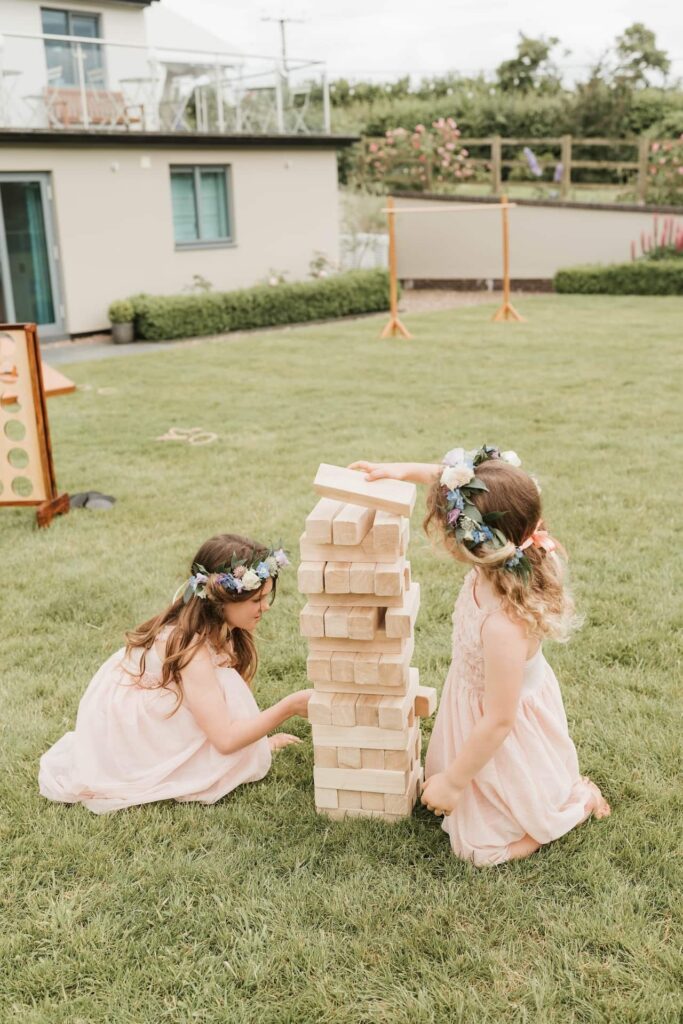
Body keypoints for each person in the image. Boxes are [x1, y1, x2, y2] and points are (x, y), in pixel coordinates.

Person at [351, 448, 610, 866]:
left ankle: (577, 803)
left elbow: (500, 719)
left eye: (450, 528)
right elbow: (455, 480)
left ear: (474, 541)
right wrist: (401, 469)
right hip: (475, 704)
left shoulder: (503, 624)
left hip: (503, 729)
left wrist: (454, 782)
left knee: (477, 849)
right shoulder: (495, 557)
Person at [39, 534, 313, 814]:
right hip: (132, 724)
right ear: (220, 600)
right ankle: (149, 761)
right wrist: (289, 707)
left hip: (163, 697)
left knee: (221, 691)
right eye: (257, 599)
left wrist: (257, 743)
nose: (265, 607)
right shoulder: (191, 648)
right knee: (221, 708)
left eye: (266, 597)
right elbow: (225, 739)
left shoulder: (219, 628)